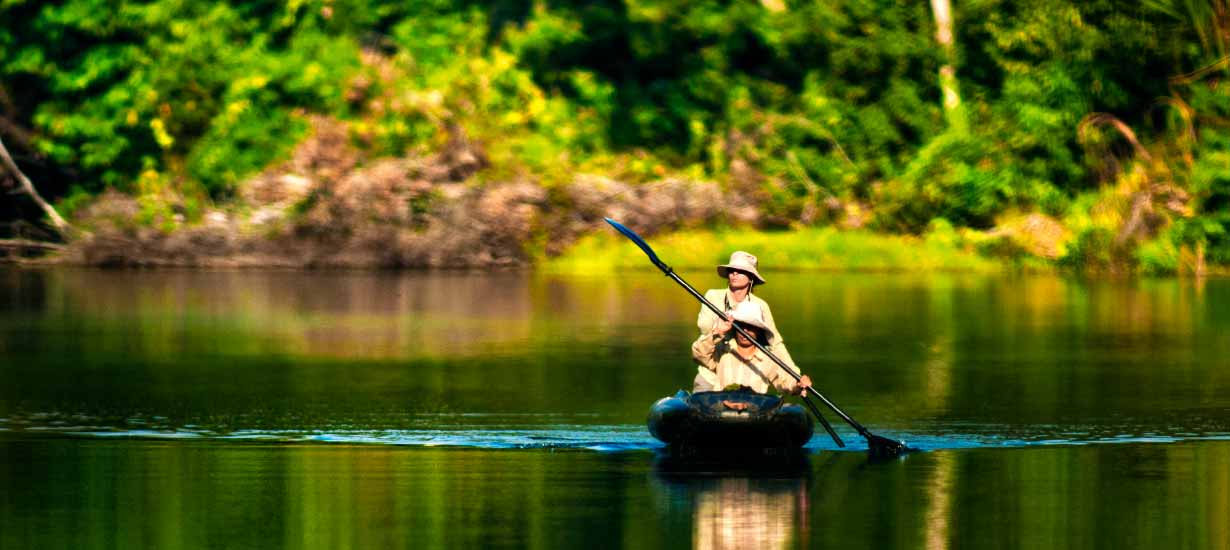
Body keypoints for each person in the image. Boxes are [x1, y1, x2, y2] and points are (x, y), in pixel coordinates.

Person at [692, 251, 798, 392]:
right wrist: (722, 328)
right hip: (712, 368)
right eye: (732, 270)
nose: (735, 274)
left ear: (751, 278)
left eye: (741, 271)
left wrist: (796, 378)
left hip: (746, 371)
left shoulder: (760, 306)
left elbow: (776, 344)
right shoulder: (713, 296)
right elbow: (704, 329)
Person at [692, 300, 813, 401]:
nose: (745, 333)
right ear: (735, 327)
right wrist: (718, 332)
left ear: (759, 331)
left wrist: (798, 385)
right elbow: (699, 354)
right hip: (721, 411)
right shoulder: (723, 349)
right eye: (741, 326)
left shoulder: (768, 358)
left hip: (754, 414)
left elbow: (786, 382)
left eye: (750, 328)